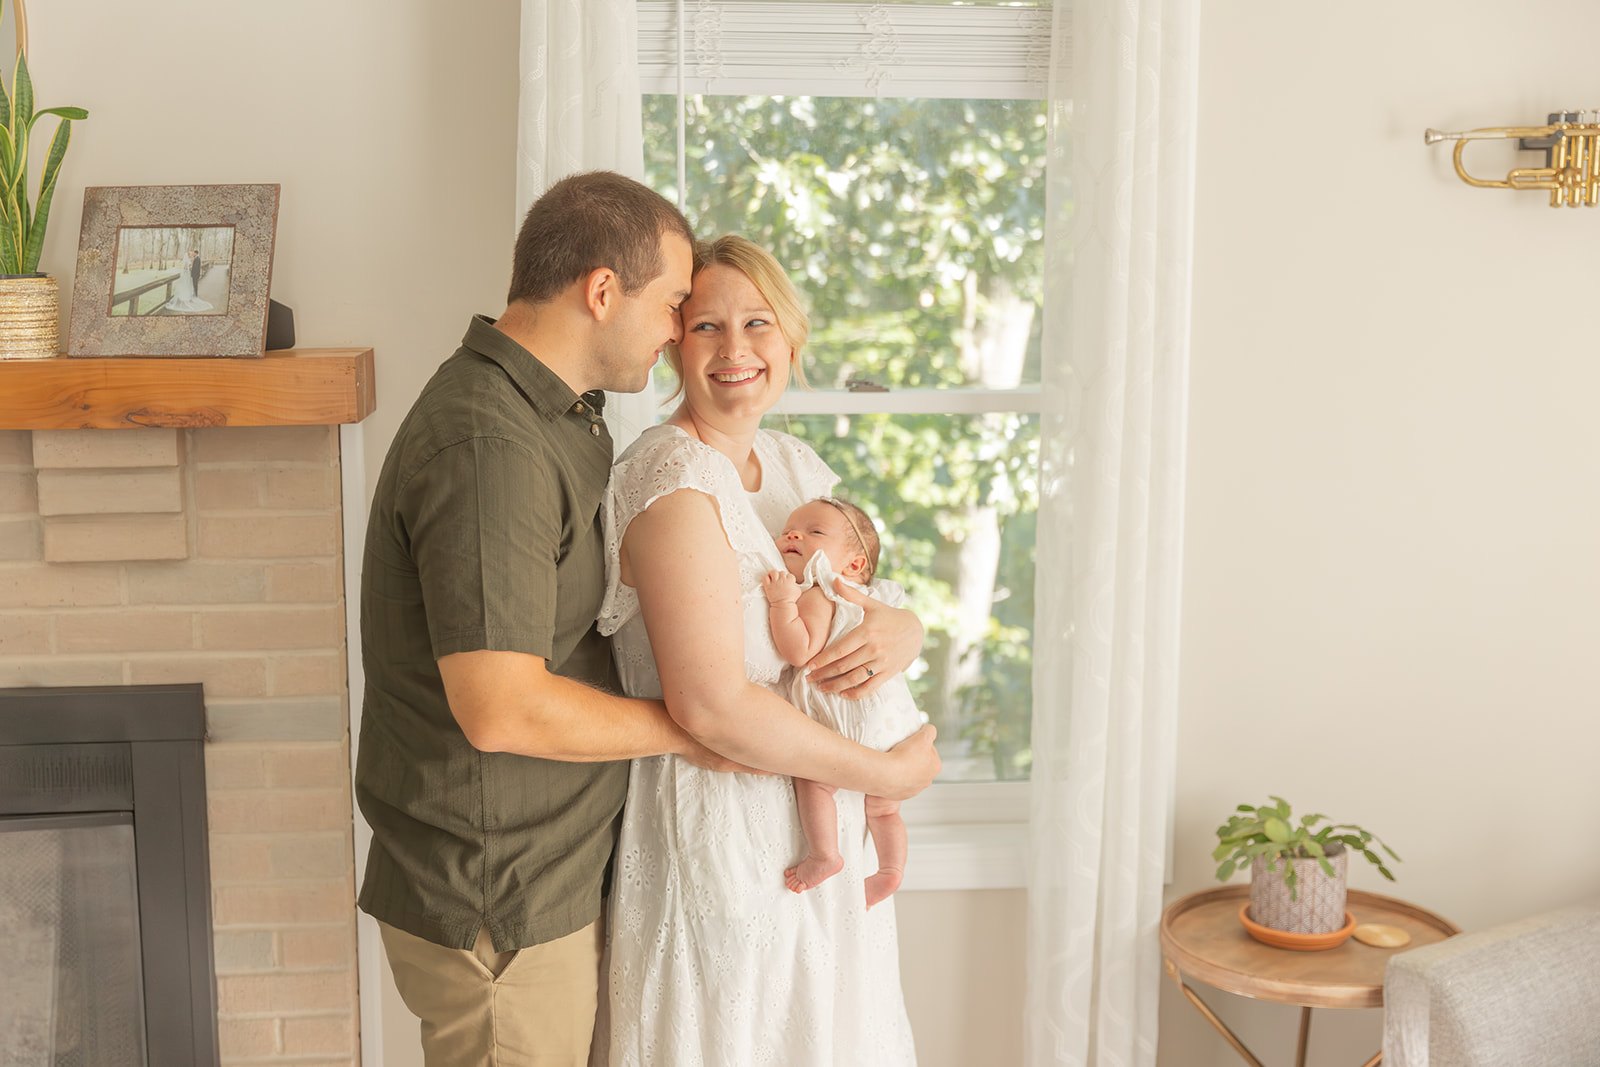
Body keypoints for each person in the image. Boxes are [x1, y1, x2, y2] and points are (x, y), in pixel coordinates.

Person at [355, 171, 714, 1067]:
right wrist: (690, 728)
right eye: (673, 303)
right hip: (500, 902)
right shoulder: (492, 443)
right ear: (602, 290)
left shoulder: (555, 418)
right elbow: (501, 705)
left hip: (545, 880)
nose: (677, 331)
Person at [596, 234, 937, 1065]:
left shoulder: (792, 465)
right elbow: (712, 704)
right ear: (675, 339)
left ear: (789, 336)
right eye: (707, 326)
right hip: (725, 842)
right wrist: (888, 776)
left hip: (827, 844)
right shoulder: (671, 476)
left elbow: (853, 593)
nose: (736, 349)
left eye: (757, 323)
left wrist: (907, 625)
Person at [764, 496, 923, 907]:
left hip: (849, 718)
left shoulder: (822, 594)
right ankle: (890, 870)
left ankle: (824, 854)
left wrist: (783, 603)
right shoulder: (881, 600)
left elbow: (799, 651)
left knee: (813, 778)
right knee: (886, 809)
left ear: (853, 565)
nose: (793, 534)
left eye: (814, 531)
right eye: (788, 531)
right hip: (897, 723)